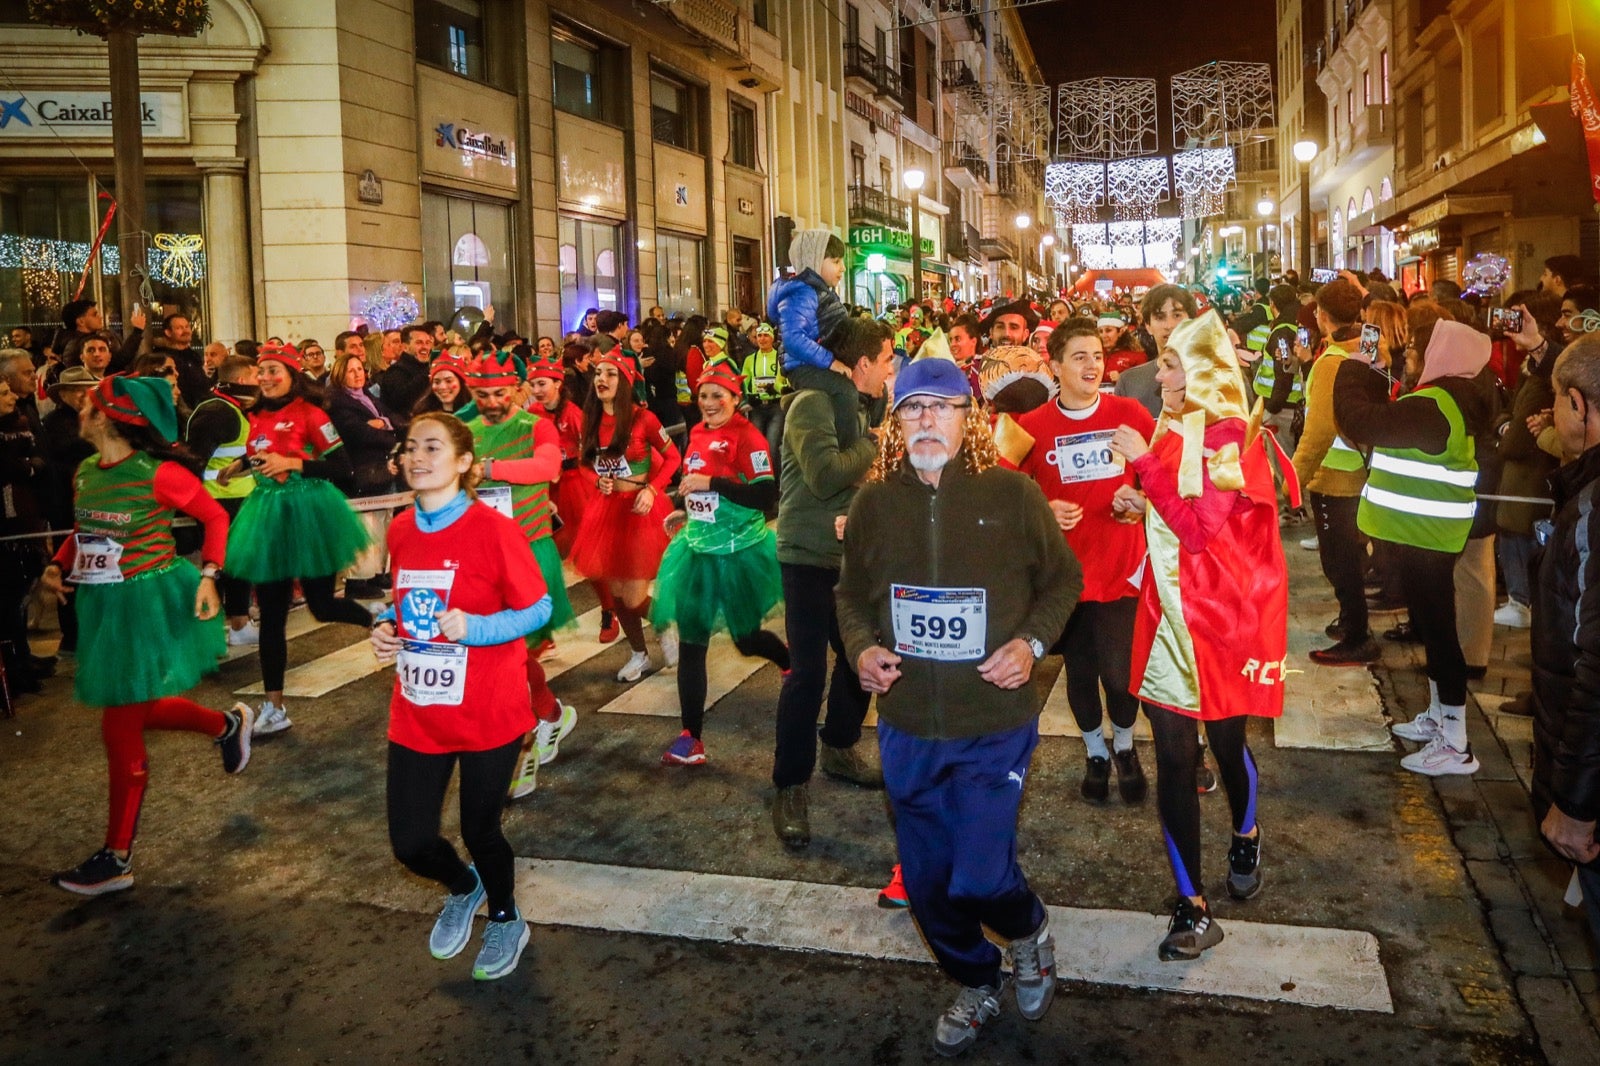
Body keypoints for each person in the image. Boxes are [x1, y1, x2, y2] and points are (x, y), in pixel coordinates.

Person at [837, 356, 1080, 1057]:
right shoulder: (878, 502)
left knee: (979, 874)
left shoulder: (1012, 495)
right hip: (909, 726)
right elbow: (850, 597)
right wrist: (859, 649)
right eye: (913, 409)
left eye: (942, 407)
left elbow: (1064, 580)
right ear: (895, 424)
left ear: (969, 418)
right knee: (930, 886)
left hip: (992, 724)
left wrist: (1031, 643)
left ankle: (1028, 932)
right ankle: (975, 978)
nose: (926, 421)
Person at [1107, 310, 1290, 961]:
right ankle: (1191, 905)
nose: (1157, 372)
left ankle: (1246, 829)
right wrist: (1136, 497)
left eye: (1169, 364)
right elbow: (1167, 507)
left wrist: (1141, 469)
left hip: (1220, 621)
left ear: (1202, 372)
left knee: (1228, 737)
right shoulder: (1175, 423)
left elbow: (1200, 529)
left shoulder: (1228, 435)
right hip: (1167, 621)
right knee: (1175, 760)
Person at [41, 376, 253, 895]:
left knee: (120, 725)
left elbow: (214, 516)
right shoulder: (87, 470)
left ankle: (117, 858)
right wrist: (55, 564)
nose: (79, 411)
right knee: (137, 703)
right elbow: (86, 532)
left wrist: (210, 575)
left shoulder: (159, 475)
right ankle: (227, 724)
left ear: (108, 417)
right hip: (103, 605)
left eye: (88, 405)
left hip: (147, 603)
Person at [369, 412, 550, 980]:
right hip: (419, 709)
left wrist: (476, 629)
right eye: (410, 447)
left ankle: (505, 917)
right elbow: (403, 598)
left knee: (480, 830)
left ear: (465, 462)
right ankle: (463, 885)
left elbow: (538, 608)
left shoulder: (494, 530)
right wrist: (384, 624)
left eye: (433, 447)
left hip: (488, 709)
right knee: (411, 842)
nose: (417, 457)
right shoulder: (400, 528)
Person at [1339, 317, 1493, 776]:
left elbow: (1360, 420)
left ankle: (1456, 742)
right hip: (1427, 532)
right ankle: (1438, 718)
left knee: (1441, 632)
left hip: (1428, 535)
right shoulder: (1454, 397)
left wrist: (1353, 367)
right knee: (1431, 625)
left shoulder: (1434, 404)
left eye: (1414, 352)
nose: (1408, 358)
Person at [1016, 320, 1154, 802]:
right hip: (1065, 577)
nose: (1092, 365)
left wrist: (1138, 497)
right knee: (1079, 672)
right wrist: (1041, 509)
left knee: (1120, 676)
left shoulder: (1130, 412)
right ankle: (1095, 752)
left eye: (1096, 355)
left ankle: (1125, 744)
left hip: (1121, 565)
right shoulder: (1031, 426)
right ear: (1054, 366)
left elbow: (1164, 471)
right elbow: (998, 489)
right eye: (1079, 356)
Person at [771, 317, 895, 849]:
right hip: (807, 555)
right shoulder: (813, 404)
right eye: (887, 359)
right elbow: (823, 475)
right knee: (805, 674)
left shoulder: (861, 405)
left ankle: (839, 746)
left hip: (854, 553)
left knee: (858, 659)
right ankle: (789, 784)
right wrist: (875, 444)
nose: (892, 370)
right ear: (863, 363)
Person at [217, 343, 375, 736]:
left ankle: (376, 619)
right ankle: (275, 705)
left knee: (321, 606)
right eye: (263, 370)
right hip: (267, 515)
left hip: (310, 514)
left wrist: (292, 463)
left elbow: (342, 468)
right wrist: (239, 464)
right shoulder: (252, 414)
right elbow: (262, 451)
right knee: (272, 616)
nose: (268, 377)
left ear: (292, 376)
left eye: (276, 371)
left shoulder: (312, 413)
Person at [654, 363, 789, 764]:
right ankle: (690, 737)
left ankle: (787, 660)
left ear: (735, 399)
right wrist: (687, 511)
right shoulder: (696, 433)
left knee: (746, 639)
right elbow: (697, 487)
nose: (709, 404)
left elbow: (766, 496)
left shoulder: (749, 439)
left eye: (718, 396)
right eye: (703, 396)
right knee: (692, 643)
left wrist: (711, 484)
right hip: (697, 551)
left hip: (738, 554)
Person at [461, 352, 579, 795]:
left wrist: (487, 469)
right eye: (482, 394)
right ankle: (549, 714)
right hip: (483, 555)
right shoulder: (466, 431)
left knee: (513, 655)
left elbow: (548, 468)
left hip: (528, 551)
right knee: (505, 656)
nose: (491, 402)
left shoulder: (535, 425)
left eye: (499, 393)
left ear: (516, 389)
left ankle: (525, 746)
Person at [1529, 335, 1600, 953]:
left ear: (1579, 404)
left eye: (1555, 401)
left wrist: (1573, 802)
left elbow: (1594, 666)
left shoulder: (1592, 510)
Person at [570, 352, 682, 682]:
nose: (602, 379)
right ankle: (639, 653)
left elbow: (673, 457)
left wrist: (651, 489)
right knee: (617, 595)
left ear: (626, 382)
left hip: (640, 511)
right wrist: (597, 480)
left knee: (633, 595)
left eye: (611, 374)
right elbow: (584, 464)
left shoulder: (643, 419)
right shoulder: (590, 420)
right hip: (607, 511)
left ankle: (663, 622)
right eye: (598, 373)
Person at [1294, 279, 1379, 665]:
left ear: (1320, 315)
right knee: (1352, 555)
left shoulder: (1330, 364)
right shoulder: (1370, 345)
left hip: (1335, 476)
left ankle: (1357, 635)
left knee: (1339, 561)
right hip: (1365, 470)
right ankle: (1351, 620)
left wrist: (1291, 480)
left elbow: (1318, 432)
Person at [1495, 301, 1563, 629]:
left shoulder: (1545, 379)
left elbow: (1524, 430)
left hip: (1533, 474)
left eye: (1570, 314)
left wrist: (1548, 431)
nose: (1566, 322)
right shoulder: (1534, 371)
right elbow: (1512, 411)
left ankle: (1523, 601)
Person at [184, 355, 262, 645]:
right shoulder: (218, 411)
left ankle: (238, 621)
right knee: (220, 566)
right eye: (256, 375)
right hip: (219, 502)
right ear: (241, 379)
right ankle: (221, 627)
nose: (260, 381)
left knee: (239, 563)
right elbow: (194, 459)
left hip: (238, 499)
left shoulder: (231, 406)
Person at [326, 349, 400, 600]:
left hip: (383, 467)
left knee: (383, 522)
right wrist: (387, 433)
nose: (358, 374)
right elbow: (357, 433)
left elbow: (391, 419)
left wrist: (385, 425)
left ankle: (378, 572)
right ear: (339, 374)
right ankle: (358, 581)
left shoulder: (366, 396)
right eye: (351, 370)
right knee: (365, 526)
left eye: (360, 369)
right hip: (361, 470)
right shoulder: (337, 401)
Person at [40, 367, 98, 662]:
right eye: (77, 390)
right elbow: (64, 452)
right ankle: (72, 636)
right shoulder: (55, 423)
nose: (83, 395)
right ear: (62, 394)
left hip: (91, 508)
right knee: (71, 574)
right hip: (66, 505)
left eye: (87, 389)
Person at [0, 371, 47, 695]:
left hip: (25, 517)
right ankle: (13, 666)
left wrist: (29, 464)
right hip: (7, 523)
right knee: (7, 599)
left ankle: (22, 656)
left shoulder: (19, 426)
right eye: (3, 393)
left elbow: (37, 461)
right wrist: (27, 465)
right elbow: (9, 468)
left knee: (19, 595)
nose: (12, 396)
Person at [1117, 286, 1197, 418]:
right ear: (1148, 326)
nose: (1169, 325)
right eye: (1160, 317)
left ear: (1192, 322)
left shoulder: (1218, 377)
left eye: (1177, 315)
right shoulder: (1129, 381)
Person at [740, 322, 788, 463]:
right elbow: (743, 381)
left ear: (772, 338)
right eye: (759, 336)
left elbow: (786, 380)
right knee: (757, 446)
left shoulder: (779, 357)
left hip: (776, 406)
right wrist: (748, 395)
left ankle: (775, 482)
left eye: (766, 335)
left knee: (772, 446)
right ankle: (761, 479)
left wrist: (777, 388)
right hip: (757, 407)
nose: (762, 339)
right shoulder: (750, 359)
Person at [376, 325, 433, 427]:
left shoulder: (427, 368)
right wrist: (427, 374)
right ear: (405, 347)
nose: (425, 347)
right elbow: (401, 402)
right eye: (419, 343)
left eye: (428, 343)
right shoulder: (396, 372)